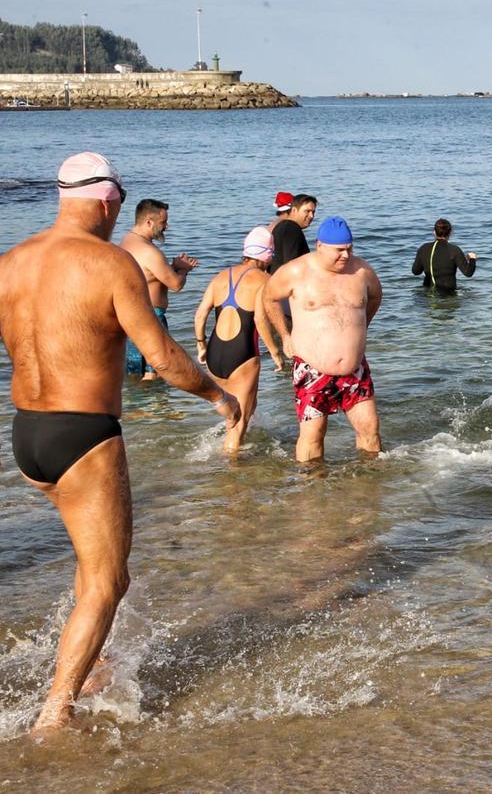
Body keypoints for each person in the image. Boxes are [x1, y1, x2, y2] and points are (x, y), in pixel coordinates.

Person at [0, 152, 239, 734]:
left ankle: (92, 664)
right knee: (111, 579)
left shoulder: (10, 262)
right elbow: (161, 356)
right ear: (108, 202)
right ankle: (54, 715)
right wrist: (218, 397)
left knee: (92, 561)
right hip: (84, 433)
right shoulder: (110, 263)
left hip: (27, 434)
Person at [264, 216, 383, 461]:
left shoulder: (362, 271)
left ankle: (370, 490)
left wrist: (362, 327)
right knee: (313, 436)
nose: (346, 256)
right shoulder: (296, 271)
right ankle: (311, 491)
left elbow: (374, 298)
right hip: (312, 369)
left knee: (370, 430)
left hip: (355, 369)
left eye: (349, 249)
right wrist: (285, 336)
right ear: (320, 246)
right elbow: (269, 298)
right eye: (339, 250)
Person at [193, 226, 284, 454]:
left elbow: (201, 313)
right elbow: (261, 320)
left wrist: (201, 344)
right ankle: (232, 478)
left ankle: (231, 455)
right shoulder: (264, 279)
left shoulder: (220, 276)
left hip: (215, 353)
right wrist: (275, 352)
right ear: (268, 255)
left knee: (239, 410)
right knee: (238, 422)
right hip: (242, 355)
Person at [118, 199, 198, 379]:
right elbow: (176, 284)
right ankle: (156, 406)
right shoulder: (149, 252)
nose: (166, 227)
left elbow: (149, 277)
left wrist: (173, 268)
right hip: (152, 318)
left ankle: (137, 406)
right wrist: (183, 269)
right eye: (163, 222)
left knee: (135, 373)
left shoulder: (125, 242)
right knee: (156, 373)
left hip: (129, 316)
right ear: (148, 222)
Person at [412, 218, 477, 293]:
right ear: (451, 232)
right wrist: (472, 259)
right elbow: (468, 273)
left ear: (434, 232)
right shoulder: (454, 250)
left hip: (427, 295)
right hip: (448, 295)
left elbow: (416, 272)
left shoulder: (423, 248)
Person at [268, 193, 317, 274]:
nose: (311, 216)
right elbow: (291, 265)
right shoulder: (292, 228)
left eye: (313, 212)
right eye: (307, 211)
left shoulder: (280, 226)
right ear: (294, 210)